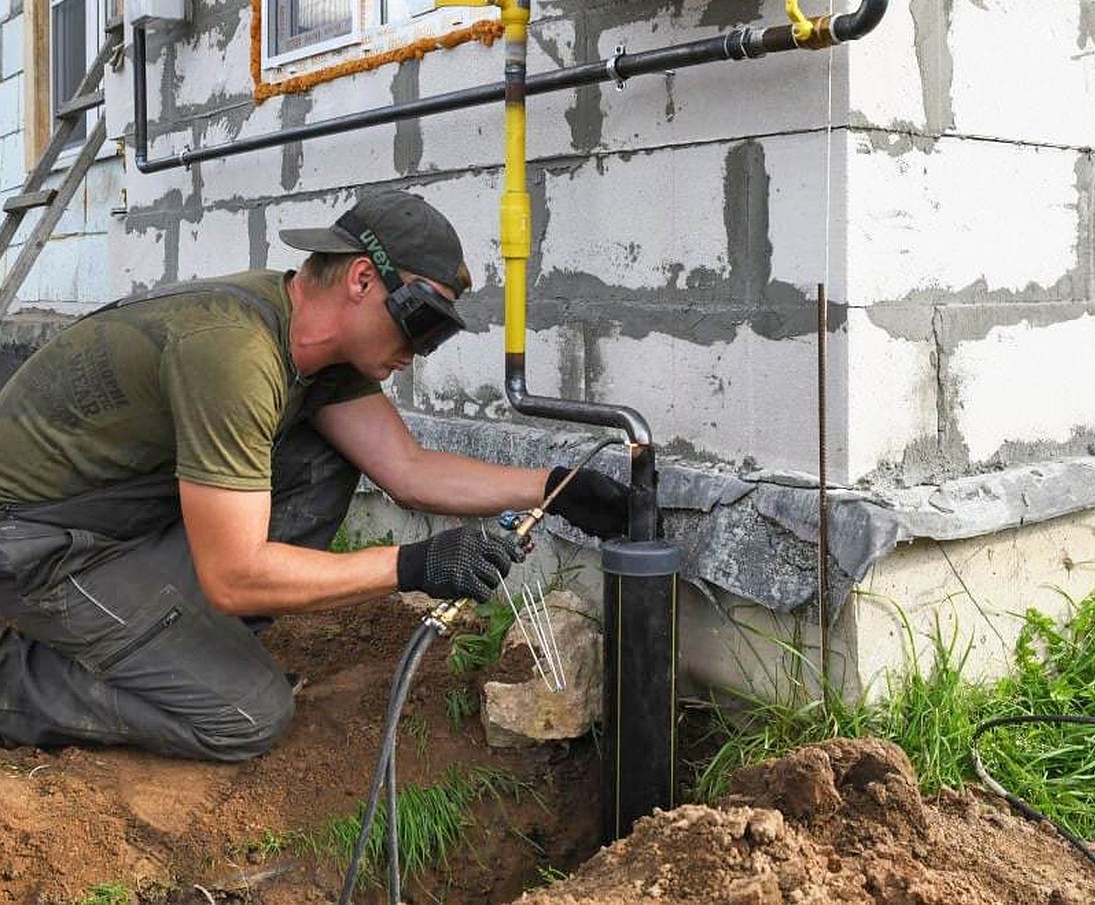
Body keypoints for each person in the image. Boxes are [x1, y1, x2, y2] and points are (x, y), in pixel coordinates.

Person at [0, 186, 629, 761]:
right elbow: (233, 575)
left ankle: (171, 645)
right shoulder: (236, 352)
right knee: (247, 715)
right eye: (422, 322)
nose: (419, 351)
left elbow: (406, 469)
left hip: (114, 522)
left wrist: (555, 487)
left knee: (323, 459)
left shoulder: (316, 349)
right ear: (361, 279)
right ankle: (18, 681)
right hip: (40, 548)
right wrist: (413, 565)